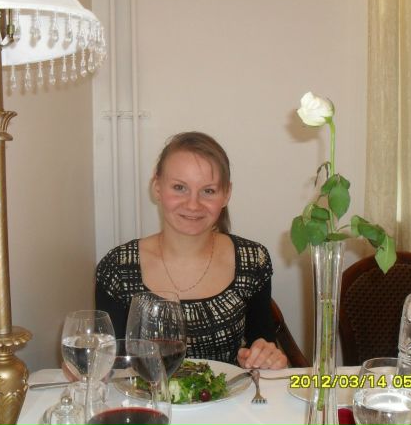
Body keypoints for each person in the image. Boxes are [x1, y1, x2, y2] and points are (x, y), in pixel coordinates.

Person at [95, 131, 287, 370]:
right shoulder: (118, 268)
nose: (193, 204)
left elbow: (263, 343)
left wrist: (265, 356)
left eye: (208, 191)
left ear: (226, 194)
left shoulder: (252, 260)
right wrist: (88, 368)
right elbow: (109, 364)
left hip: (226, 395)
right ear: (157, 187)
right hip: (145, 394)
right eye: (179, 187)